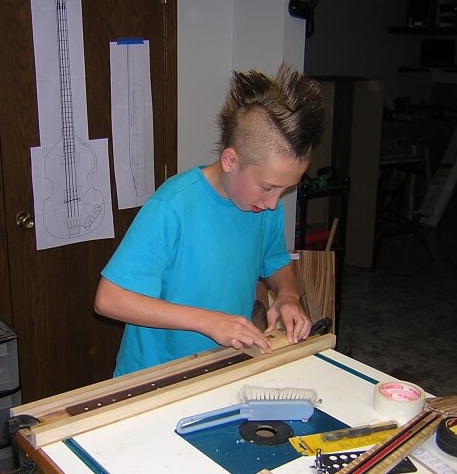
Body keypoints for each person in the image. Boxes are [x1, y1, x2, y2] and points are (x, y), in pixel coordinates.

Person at [94, 62, 326, 377]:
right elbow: (109, 299)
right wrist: (208, 320)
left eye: (286, 189)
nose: (274, 203)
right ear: (231, 160)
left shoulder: (264, 207)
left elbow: (275, 263)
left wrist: (287, 295)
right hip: (154, 376)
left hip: (220, 366)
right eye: (268, 187)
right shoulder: (173, 206)